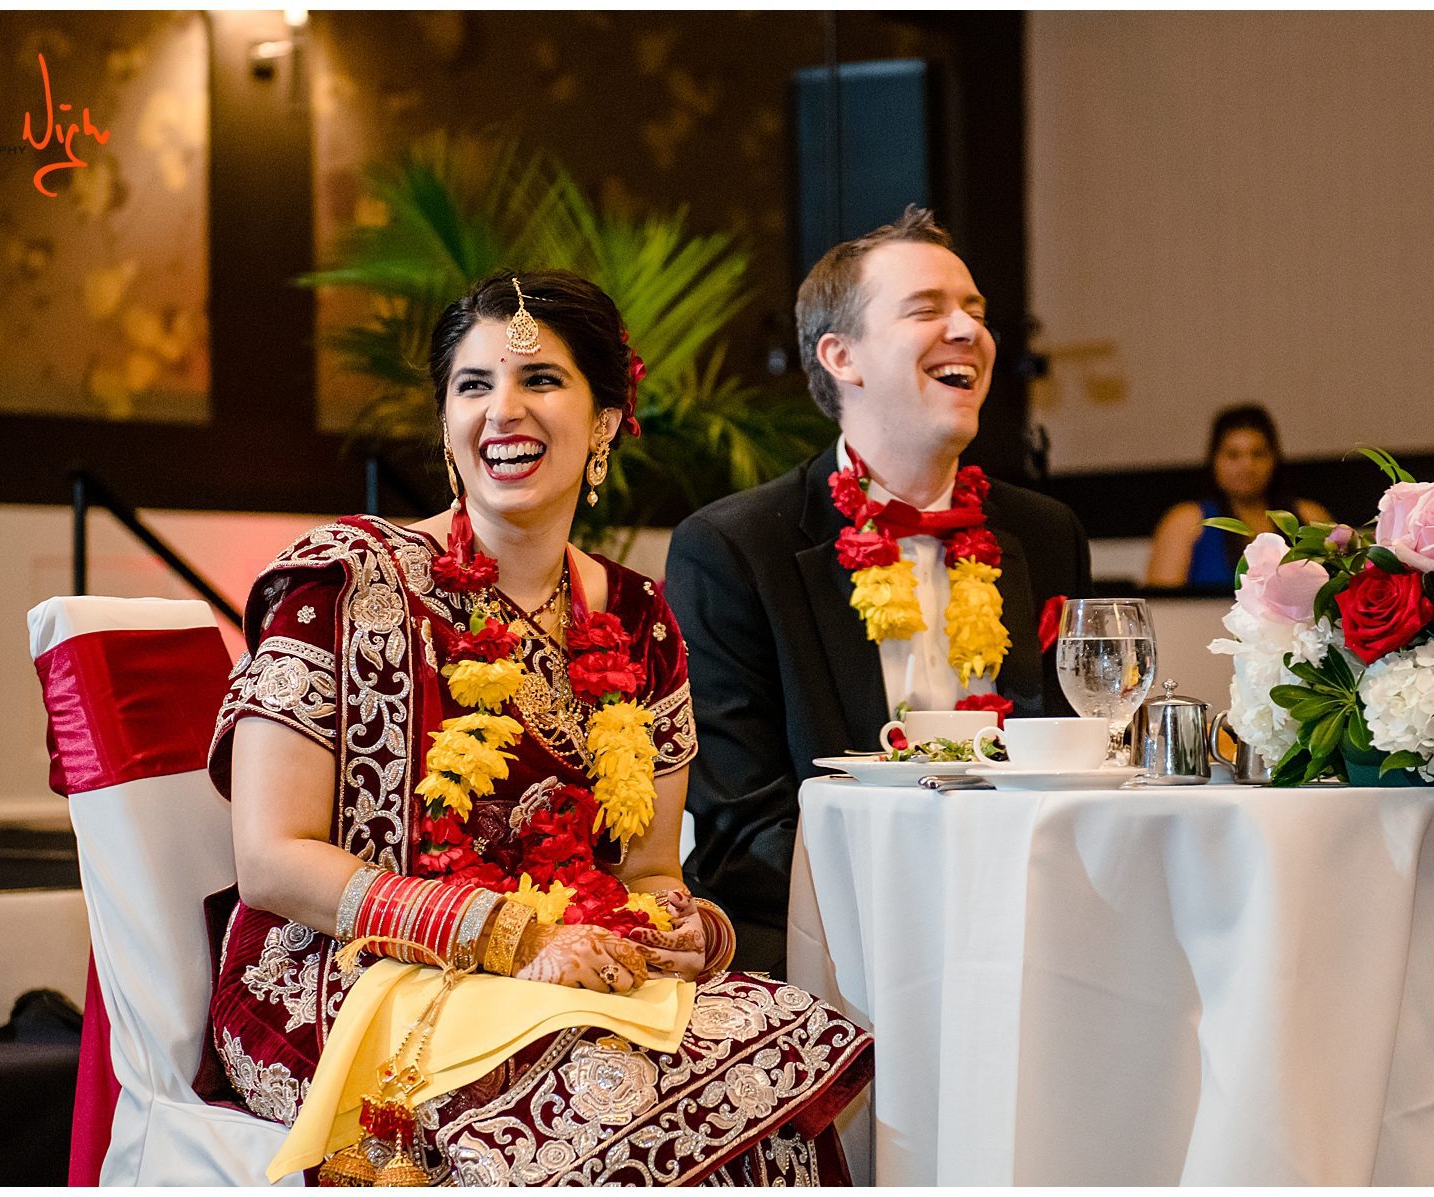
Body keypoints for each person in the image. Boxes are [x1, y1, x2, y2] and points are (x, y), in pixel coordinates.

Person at [203, 271, 871, 1184]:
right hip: (343, 974)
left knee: (773, 1053)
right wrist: (508, 934)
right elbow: (271, 860)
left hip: (571, 970)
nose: (502, 411)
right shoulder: (345, 583)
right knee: (602, 1096)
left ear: (605, 422)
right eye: (473, 385)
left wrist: (682, 929)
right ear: (446, 420)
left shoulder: (640, 622)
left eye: (541, 380)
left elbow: (647, 871)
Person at [666, 207, 1094, 971]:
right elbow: (742, 827)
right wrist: (924, 919)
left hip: (1027, 932)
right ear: (842, 356)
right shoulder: (734, 548)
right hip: (826, 945)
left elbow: (1077, 763)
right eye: (927, 310)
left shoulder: (1046, 533)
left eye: (975, 311)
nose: (967, 329)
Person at [1145, 404, 1333, 588]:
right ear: (1214, 461)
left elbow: (1337, 592)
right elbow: (1163, 602)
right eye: (1233, 455)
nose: (1247, 466)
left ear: (1274, 459)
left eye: (1258, 454)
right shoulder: (1186, 523)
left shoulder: (1310, 517)